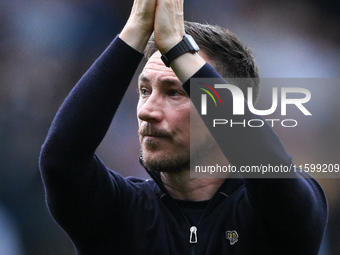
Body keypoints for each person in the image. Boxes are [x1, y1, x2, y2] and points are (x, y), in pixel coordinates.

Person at [39, 0, 328, 254]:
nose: (147, 111)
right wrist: (137, 29)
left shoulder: (280, 213)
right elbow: (61, 160)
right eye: (144, 91)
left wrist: (178, 49)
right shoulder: (118, 211)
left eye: (174, 92)